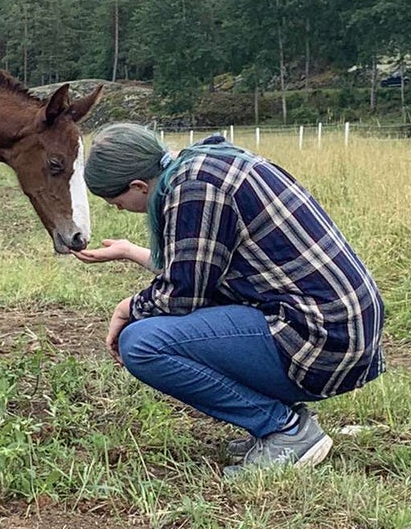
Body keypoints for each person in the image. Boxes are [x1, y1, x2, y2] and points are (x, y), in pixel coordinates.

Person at [75, 124, 384, 471]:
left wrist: (128, 308)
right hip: (342, 328)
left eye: (117, 203)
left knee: (142, 344)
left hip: (319, 338)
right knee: (189, 323)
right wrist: (130, 251)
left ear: (138, 186)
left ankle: (286, 430)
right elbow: (200, 267)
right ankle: (284, 422)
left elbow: (182, 296)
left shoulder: (195, 189)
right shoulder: (208, 163)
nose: (120, 210)